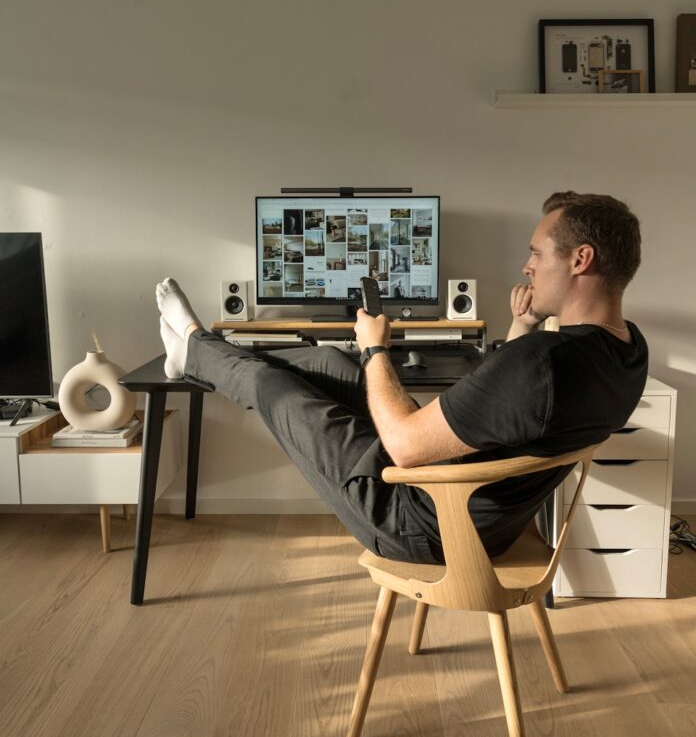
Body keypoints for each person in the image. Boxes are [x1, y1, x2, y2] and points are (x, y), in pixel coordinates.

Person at [156, 191, 648, 565]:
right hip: (481, 518)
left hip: (418, 523)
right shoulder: (627, 351)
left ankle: (196, 344)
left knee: (275, 390)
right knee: (331, 362)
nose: (527, 266)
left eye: (537, 253)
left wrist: (375, 348)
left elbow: (407, 446)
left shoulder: (541, 363)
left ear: (580, 260)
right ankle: (197, 359)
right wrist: (524, 326)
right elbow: (511, 405)